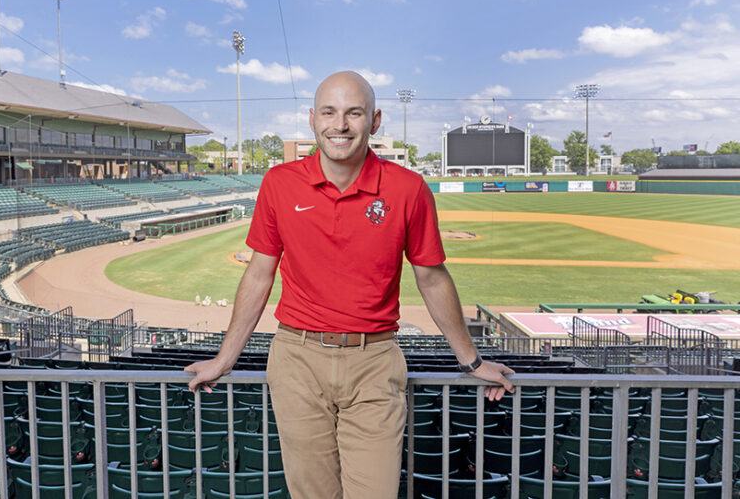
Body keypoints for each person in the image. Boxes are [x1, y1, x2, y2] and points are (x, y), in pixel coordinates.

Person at [185, 71, 514, 499]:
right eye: (329, 112)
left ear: (374, 121)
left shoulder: (408, 188)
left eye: (353, 113)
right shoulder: (279, 183)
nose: (339, 125)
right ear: (312, 118)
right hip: (296, 359)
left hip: (374, 360)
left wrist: (472, 362)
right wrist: (223, 359)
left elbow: (432, 278)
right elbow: (259, 274)